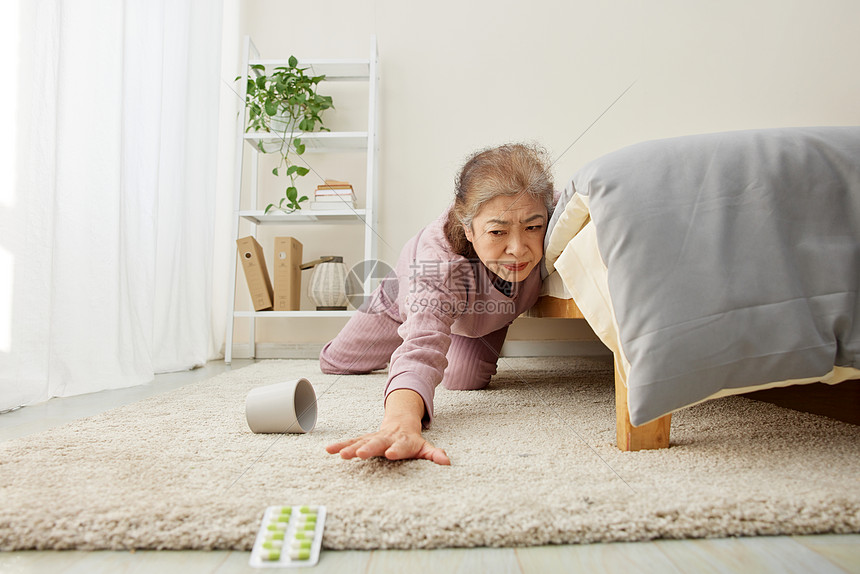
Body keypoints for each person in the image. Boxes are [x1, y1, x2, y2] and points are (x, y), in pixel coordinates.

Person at [321, 143, 555, 465]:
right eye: (497, 231)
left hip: (482, 317)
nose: (518, 248)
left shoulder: (551, 208)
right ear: (468, 229)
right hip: (409, 299)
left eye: (532, 227)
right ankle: (409, 309)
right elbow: (421, 347)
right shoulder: (440, 266)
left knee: (464, 380)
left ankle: (445, 322)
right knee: (336, 361)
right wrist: (401, 423)